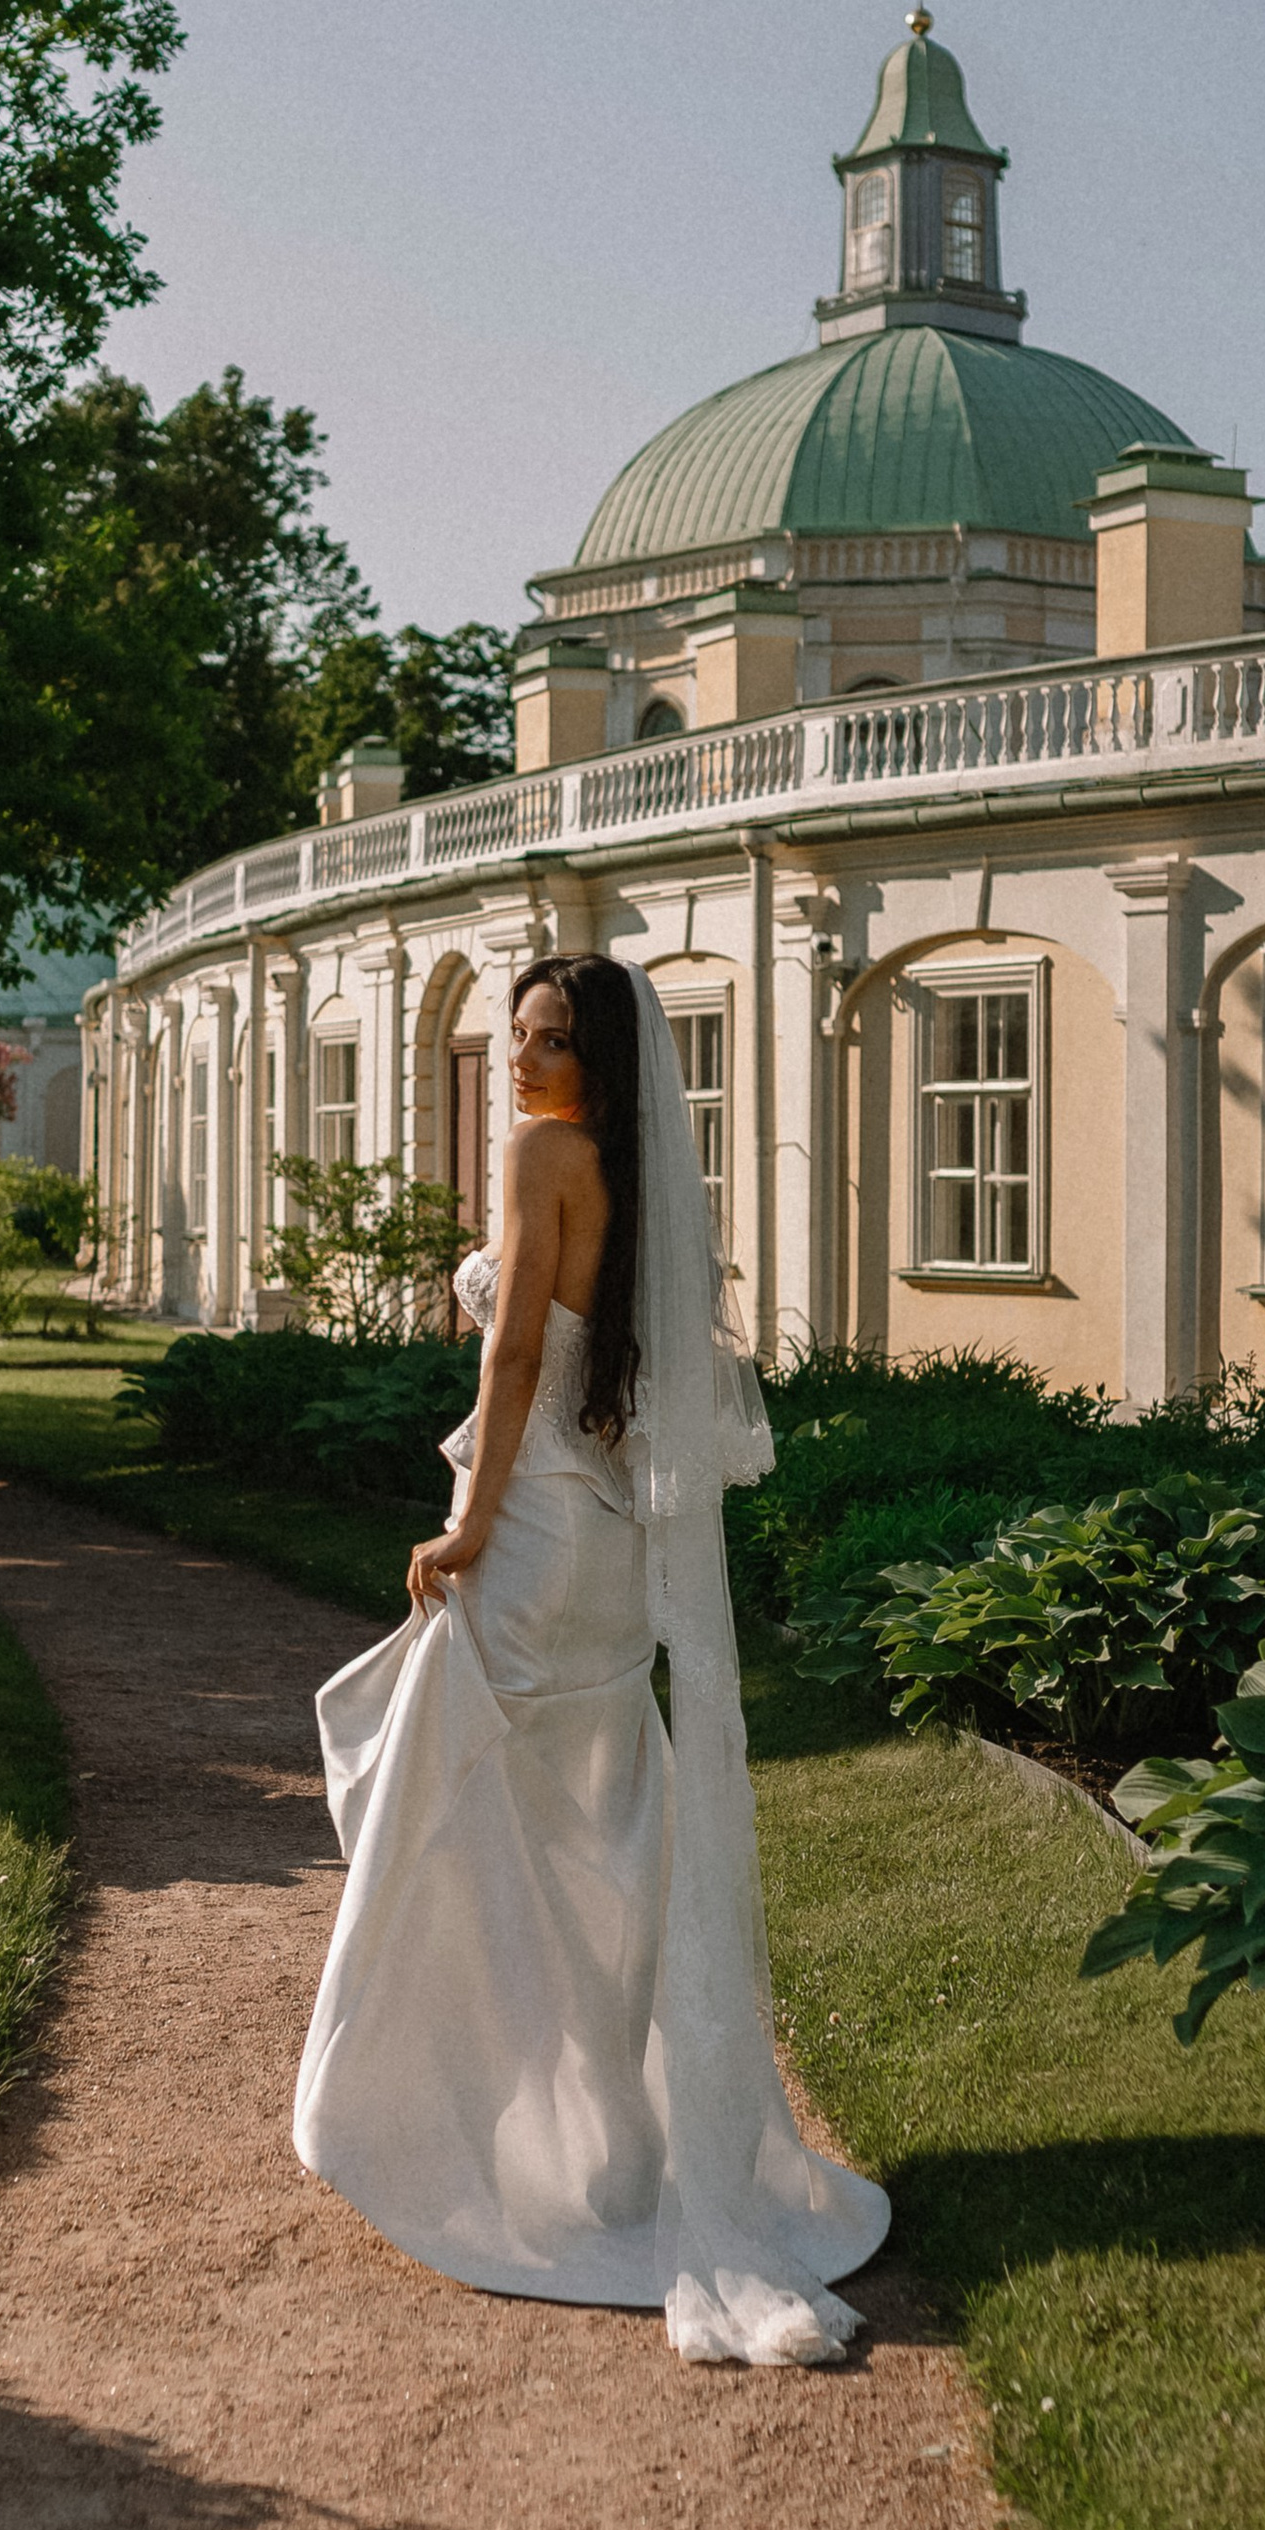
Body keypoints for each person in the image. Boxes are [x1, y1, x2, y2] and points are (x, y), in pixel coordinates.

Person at [295, 954, 888, 2367]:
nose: (523, 1059)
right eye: (519, 1035)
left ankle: (447, 2128)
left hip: (539, 1535)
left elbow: (510, 1363)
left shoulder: (540, 1151)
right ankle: (616, 2143)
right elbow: (616, 1364)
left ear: (600, 1066)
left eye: (554, 1041)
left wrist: (467, 1528)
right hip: (611, 1547)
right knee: (599, 1842)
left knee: (471, 1816)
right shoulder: (637, 1179)